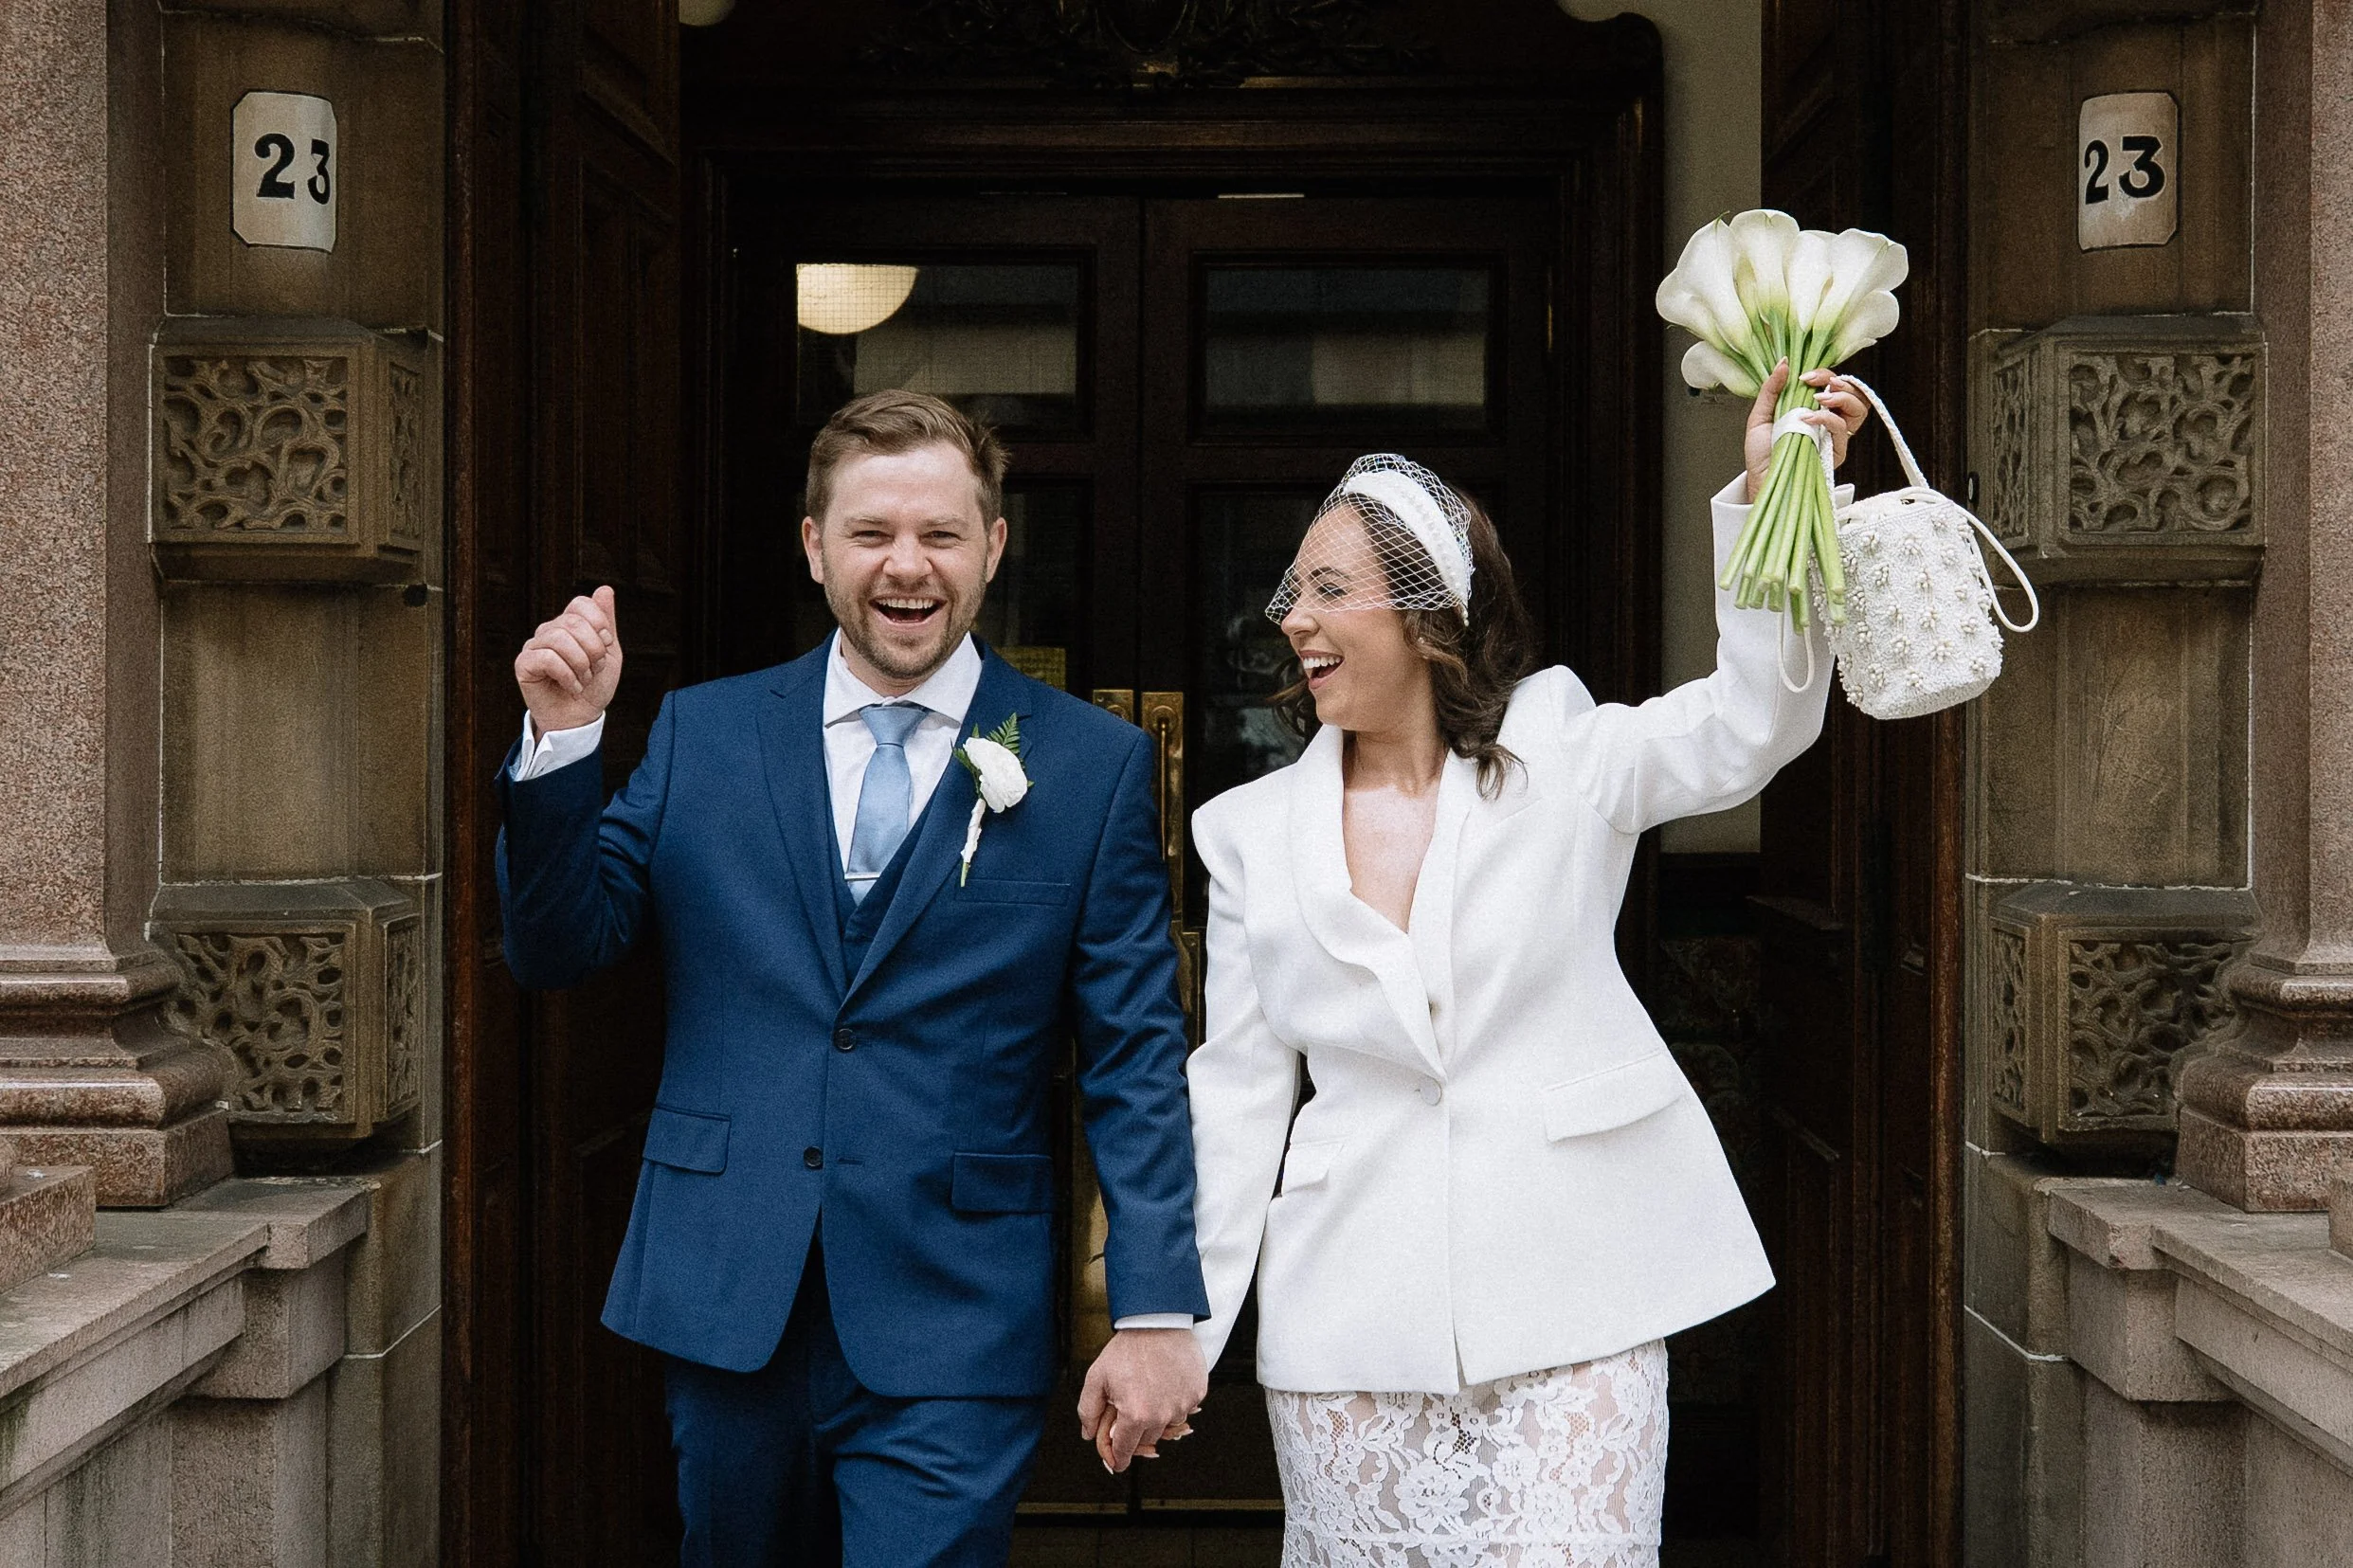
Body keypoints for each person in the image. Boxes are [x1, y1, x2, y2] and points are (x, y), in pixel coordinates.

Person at [497, 388, 1209, 1566]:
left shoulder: (1086, 765)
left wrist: (1149, 1309)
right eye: (872, 532)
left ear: (991, 546)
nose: (906, 565)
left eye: (939, 533)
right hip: (729, 1288)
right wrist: (565, 739)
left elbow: (1133, 1058)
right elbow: (558, 945)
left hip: (954, 1308)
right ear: (815, 545)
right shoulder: (701, 733)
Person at [1186, 363, 1871, 1565]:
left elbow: (1753, 723)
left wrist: (1772, 497)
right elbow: (1239, 1094)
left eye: (1329, 589)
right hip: (1349, 1320)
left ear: (1426, 611)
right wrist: (1177, 1331)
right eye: (1292, 588)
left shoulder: (1565, 747)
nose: (1292, 616)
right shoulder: (1246, 833)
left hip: (1580, 1296)